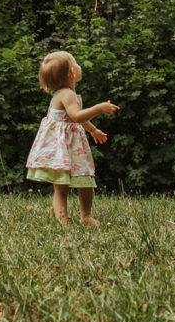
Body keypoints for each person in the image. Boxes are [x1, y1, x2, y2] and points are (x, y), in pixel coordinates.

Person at [26, 51, 119, 226]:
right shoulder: (66, 94)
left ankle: (85, 216)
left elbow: (76, 119)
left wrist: (93, 130)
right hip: (64, 149)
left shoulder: (67, 94)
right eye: (75, 63)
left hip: (73, 147)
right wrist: (99, 108)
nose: (78, 66)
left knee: (85, 181)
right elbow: (76, 116)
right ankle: (65, 220)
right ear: (71, 73)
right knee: (62, 188)